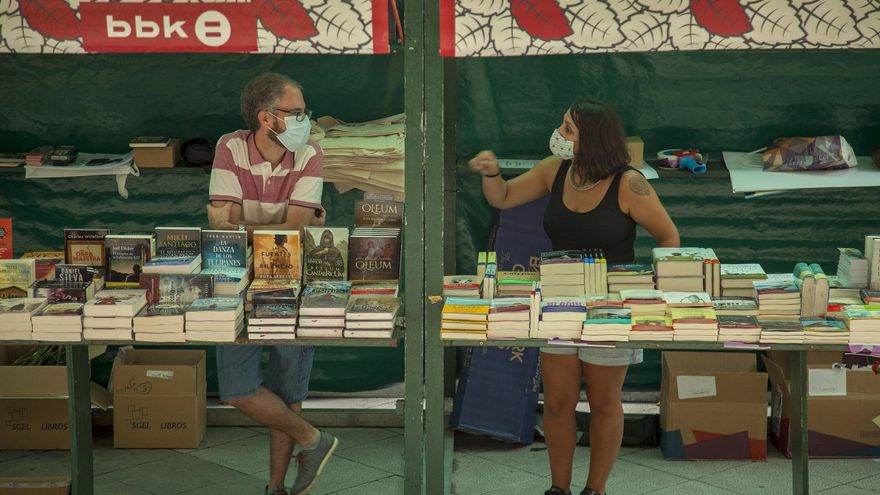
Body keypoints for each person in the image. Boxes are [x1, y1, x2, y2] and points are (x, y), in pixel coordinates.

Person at [469, 99, 680, 495]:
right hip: (558, 301)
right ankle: (558, 488)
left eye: (568, 129)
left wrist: (648, 288)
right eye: (562, 124)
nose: (559, 133)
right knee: (559, 403)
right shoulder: (555, 169)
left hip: (610, 309)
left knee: (603, 403)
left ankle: (595, 489)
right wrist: (491, 172)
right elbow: (503, 197)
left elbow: (669, 237)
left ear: (594, 139)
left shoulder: (629, 183)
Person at [206, 73, 336, 495]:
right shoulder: (230, 146)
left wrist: (243, 222)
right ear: (267, 118)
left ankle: (276, 487)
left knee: (288, 387)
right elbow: (224, 225)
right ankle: (314, 439)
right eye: (297, 113)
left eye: (305, 112)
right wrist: (283, 224)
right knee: (237, 389)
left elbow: (296, 231)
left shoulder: (309, 153)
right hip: (235, 278)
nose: (305, 121)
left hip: (294, 280)